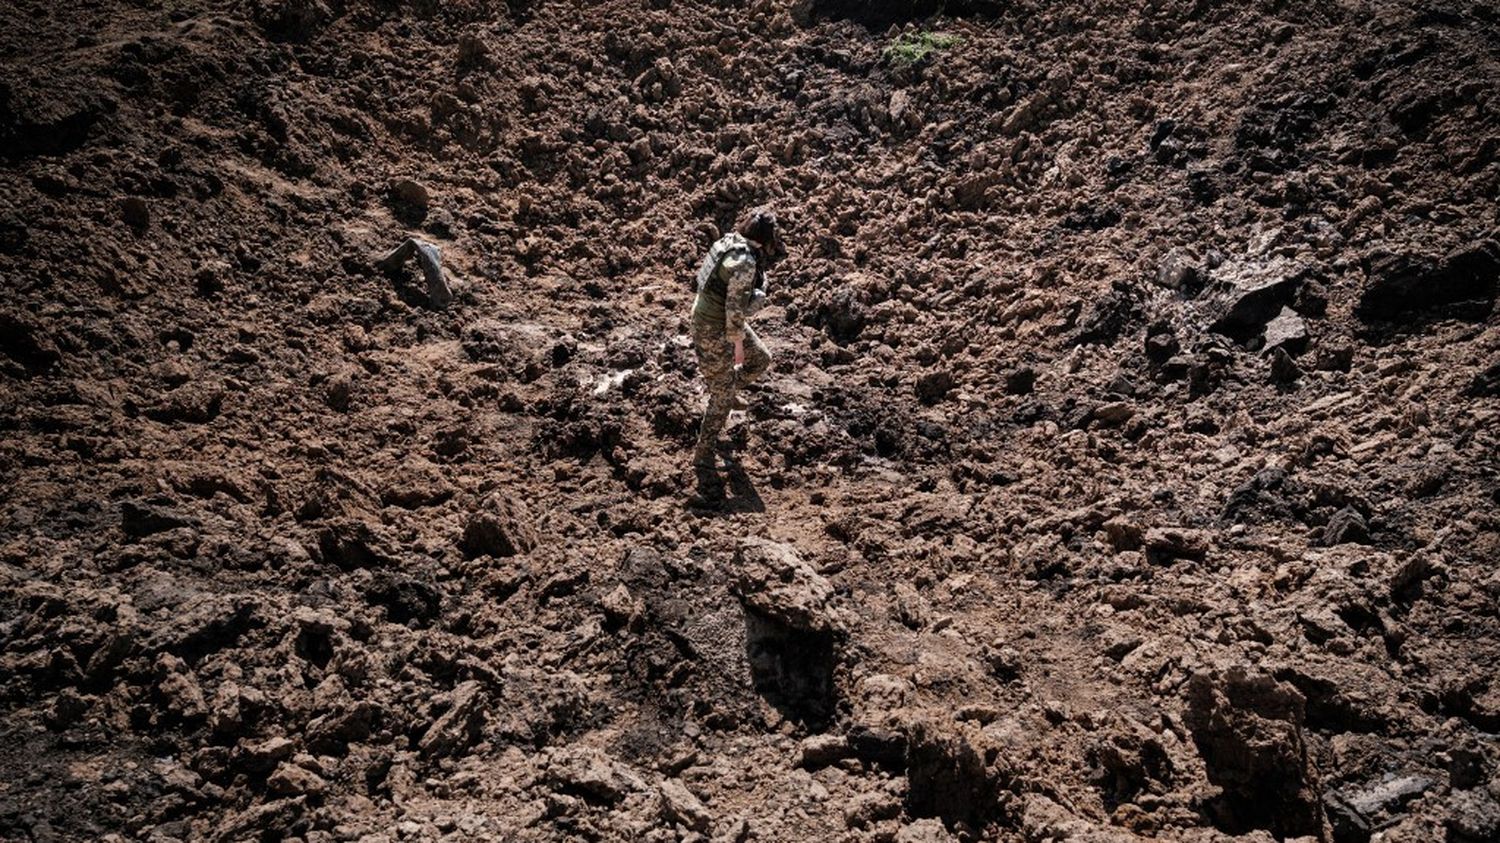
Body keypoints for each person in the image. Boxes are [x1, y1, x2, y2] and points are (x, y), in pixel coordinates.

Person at [690, 208, 785, 469]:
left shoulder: (728, 240)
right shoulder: (744, 262)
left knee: (762, 359)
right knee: (720, 395)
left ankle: (730, 390)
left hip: (714, 315)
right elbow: (735, 311)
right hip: (712, 327)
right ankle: (704, 452)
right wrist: (738, 344)